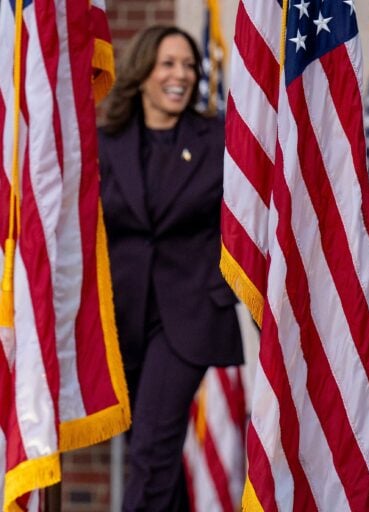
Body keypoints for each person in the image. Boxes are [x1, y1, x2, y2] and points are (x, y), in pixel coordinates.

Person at [98, 25, 242, 511]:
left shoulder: (219, 138)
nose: (181, 75)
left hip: (190, 315)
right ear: (141, 73)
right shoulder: (107, 143)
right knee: (155, 448)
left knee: (150, 452)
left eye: (188, 65)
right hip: (124, 319)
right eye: (168, 64)